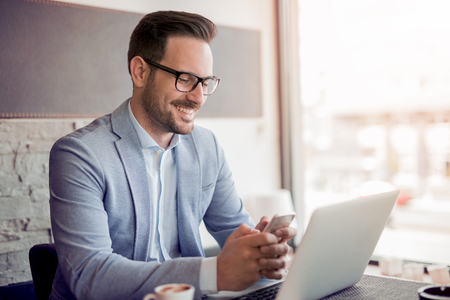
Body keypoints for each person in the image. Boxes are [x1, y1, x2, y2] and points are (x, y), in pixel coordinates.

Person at [49, 10, 296, 300]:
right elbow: (91, 277)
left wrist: (262, 253)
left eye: (205, 82)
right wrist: (214, 273)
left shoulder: (207, 147)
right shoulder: (80, 154)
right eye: (186, 78)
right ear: (140, 72)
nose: (198, 97)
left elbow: (233, 229)